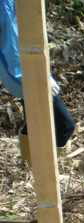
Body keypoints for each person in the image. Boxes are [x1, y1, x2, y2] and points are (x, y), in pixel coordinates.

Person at [0, 0, 75, 157]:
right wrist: (40, 79)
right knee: (65, 125)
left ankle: (30, 169)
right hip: (25, 76)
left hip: (25, 74)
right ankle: (46, 172)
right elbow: (12, 48)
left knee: (34, 125)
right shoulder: (4, 5)